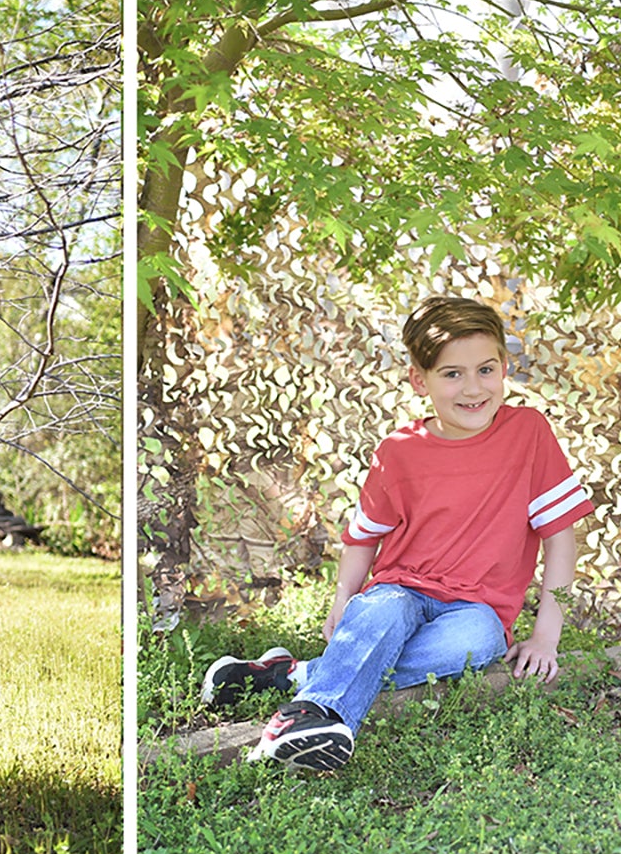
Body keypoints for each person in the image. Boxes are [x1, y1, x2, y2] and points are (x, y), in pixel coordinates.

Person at [202, 295, 594, 772]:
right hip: (399, 590)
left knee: (477, 642)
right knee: (384, 612)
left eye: (486, 370)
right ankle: (308, 717)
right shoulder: (399, 451)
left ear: (505, 367)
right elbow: (364, 536)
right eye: (452, 374)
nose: (473, 388)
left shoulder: (528, 433)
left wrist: (546, 637)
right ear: (419, 380)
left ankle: (298, 676)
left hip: (477, 610)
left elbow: (560, 539)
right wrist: (344, 598)